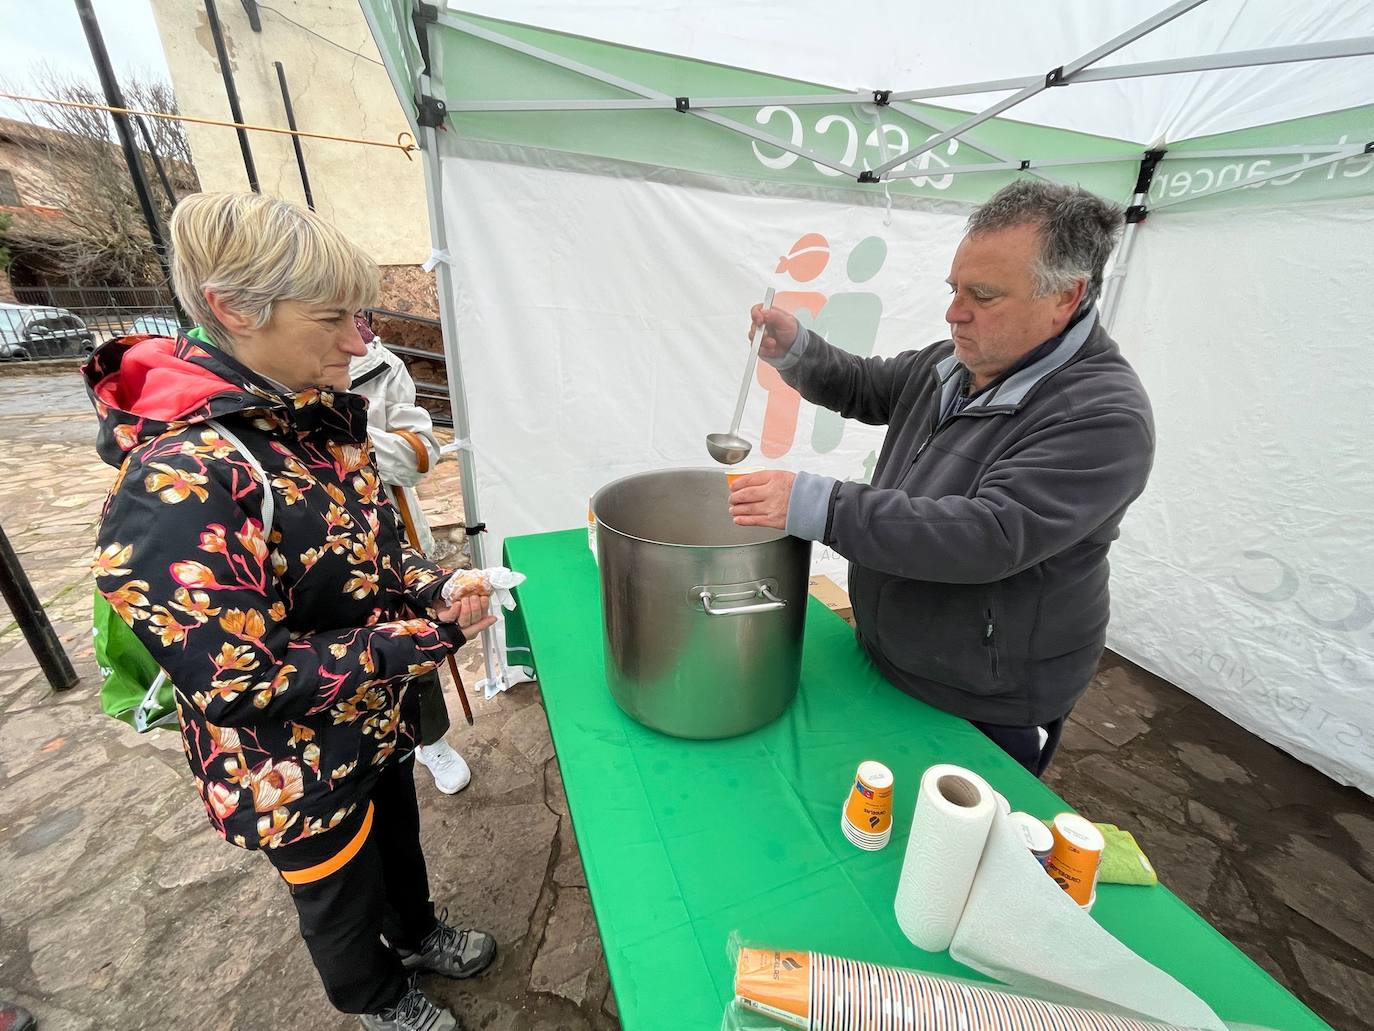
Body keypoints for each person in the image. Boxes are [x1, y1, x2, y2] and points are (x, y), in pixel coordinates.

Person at [87, 192, 497, 1031]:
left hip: (367, 723)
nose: (359, 341)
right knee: (338, 896)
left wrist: (431, 584)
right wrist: (424, 637)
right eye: (334, 318)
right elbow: (240, 678)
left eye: (361, 315)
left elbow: (374, 543)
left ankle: (416, 934)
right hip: (287, 766)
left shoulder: (306, 417)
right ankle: (378, 999)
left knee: (396, 843)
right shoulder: (181, 479)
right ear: (234, 309)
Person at [730, 180, 1154, 777]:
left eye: (983, 294)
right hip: (891, 653)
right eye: (955, 288)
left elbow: (988, 536)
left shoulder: (1102, 415)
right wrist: (797, 349)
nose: (956, 312)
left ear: (1066, 297)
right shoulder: (954, 362)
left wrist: (820, 506)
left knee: (947, 851)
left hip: (985, 699)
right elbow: (864, 384)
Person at [349, 317, 471, 794]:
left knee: (408, 637)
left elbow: (418, 458)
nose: (354, 334)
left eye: (357, 316)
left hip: (388, 535)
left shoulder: (381, 367)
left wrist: (339, 425)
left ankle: (429, 739)